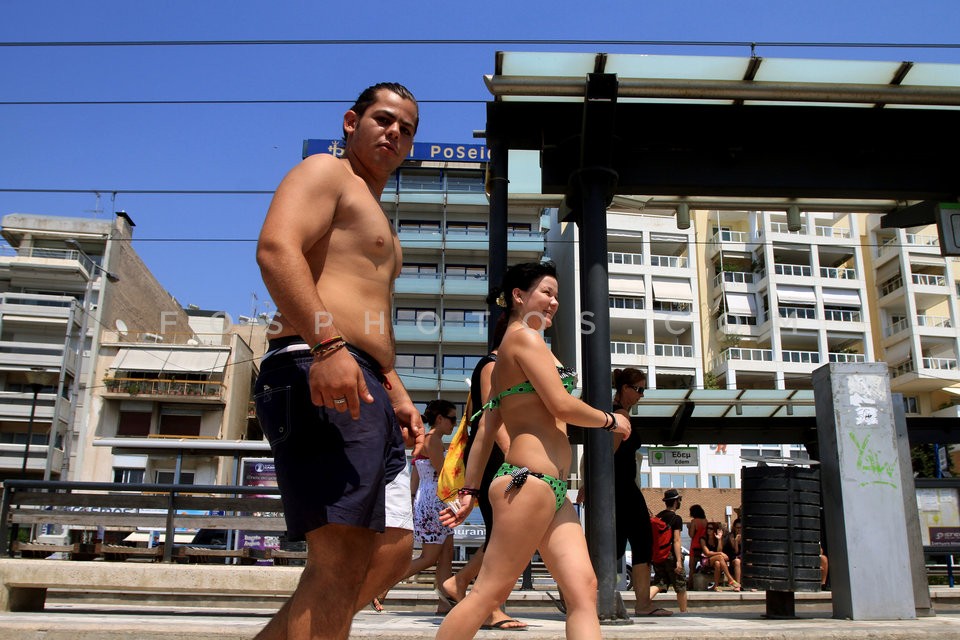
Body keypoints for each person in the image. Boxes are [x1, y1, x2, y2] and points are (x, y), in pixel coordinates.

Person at [253, 82, 424, 640]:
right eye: (383, 119)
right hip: (319, 361)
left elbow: (370, 315)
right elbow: (276, 250)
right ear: (352, 122)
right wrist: (326, 345)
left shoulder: (377, 216)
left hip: (365, 378)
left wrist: (397, 391)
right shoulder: (325, 172)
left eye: (407, 128)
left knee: (393, 549)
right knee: (340, 561)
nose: (394, 132)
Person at [437, 261, 631, 640]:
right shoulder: (522, 339)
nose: (554, 301)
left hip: (551, 489)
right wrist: (611, 420)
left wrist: (470, 490)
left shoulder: (522, 347)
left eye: (556, 295)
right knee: (487, 593)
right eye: (546, 292)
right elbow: (561, 405)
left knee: (583, 590)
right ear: (518, 296)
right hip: (526, 483)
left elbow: (487, 427)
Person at [437, 316, 527, 630]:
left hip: (503, 458)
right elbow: (493, 420)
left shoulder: (502, 366)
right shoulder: (491, 365)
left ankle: (460, 585)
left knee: (505, 533)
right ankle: (488, 607)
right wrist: (516, 461)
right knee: (502, 533)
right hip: (496, 458)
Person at [379, 400, 457, 613]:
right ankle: (383, 583)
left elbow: (415, 474)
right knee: (429, 556)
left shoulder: (427, 441)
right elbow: (444, 474)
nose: (455, 424)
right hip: (435, 501)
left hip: (430, 499)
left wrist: (413, 500)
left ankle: (444, 602)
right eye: (452, 419)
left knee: (446, 553)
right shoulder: (433, 441)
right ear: (439, 419)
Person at [609, 368, 670, 616]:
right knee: (640, 543)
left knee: (614, 546)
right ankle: (643, 604)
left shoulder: (616, 413)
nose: (642, 395)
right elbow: (607, 454)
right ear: (625, 389)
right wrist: (589, 486)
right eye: (639, 389)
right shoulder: (619, 414)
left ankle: (579, 595)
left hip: (619, 489)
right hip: (622, 489)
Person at [649, 489, 688, 613]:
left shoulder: (659, 516)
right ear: (676, 501)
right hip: (671, 555)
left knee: (660, 583)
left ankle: (642, 602)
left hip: (659, 554)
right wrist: (678, 561)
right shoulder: (676, 518)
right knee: (680, 585)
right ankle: (684, 611)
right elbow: (676, 540)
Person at [699, 522, 740, 591]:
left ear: (714, 530)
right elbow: (707, 553)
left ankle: (716, 586)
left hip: (715, 560)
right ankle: (730, 579)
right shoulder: (703, 539)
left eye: (711, 528)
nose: (708, 530)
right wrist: (720, 553)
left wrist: (719, 539)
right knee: (720, 557)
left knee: (717, 563)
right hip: (705, 560)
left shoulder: (716, 538)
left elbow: (719, 549)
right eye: (707, 528)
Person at [687, 504, 708, 588]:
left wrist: (688, 528)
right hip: (703, 545)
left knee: (692, 567)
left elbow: (691, 535)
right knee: (704, 564)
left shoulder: (694, 521)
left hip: (695, 545)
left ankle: (690, 585)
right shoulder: (705, 521)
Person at [722, 518, 742, 587]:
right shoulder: (731, 536)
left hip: (743, 557)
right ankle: (738, 584)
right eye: (737, 528)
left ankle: (752, 585)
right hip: (734, 558)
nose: (739, 529)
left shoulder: (745, 535)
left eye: (740, 528)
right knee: (737, 561)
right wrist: (736, 541)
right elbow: (736, 552)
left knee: (750, 562)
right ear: (734, 528)